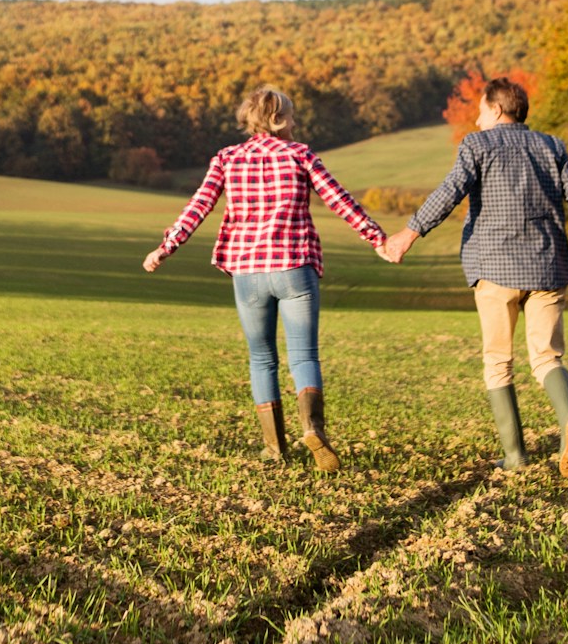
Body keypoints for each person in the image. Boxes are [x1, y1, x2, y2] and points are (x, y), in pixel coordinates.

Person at [143, 87, 386, 471]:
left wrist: (165, 247)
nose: (295, 122)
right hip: (294, 268)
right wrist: (377, 239)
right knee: (304, 355)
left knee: (261, 359)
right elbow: (340, 200)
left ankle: (274, 449)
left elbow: (199, 206)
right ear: (277, 119)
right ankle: (313, 428)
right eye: (290, 115)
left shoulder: (227, 159)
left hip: (248, 273)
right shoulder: (300, 154)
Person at [381, 76, 568, 477]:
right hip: (548, 265)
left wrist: (409, 232)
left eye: (481, 111)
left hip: (495, 267)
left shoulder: (477, 145)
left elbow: (451, 190)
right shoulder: (552, 146)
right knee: (547, 357)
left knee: (499, 361)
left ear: (497, 110)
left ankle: (515, 457)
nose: (478, 121)